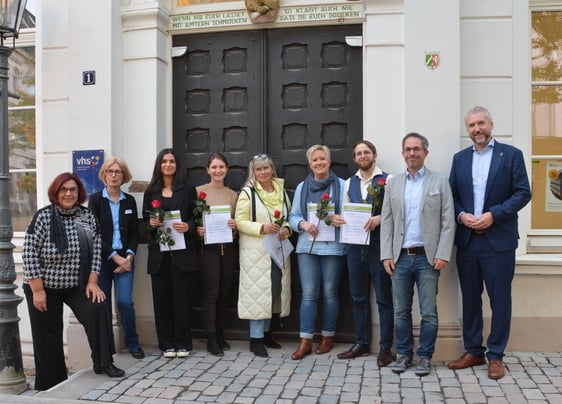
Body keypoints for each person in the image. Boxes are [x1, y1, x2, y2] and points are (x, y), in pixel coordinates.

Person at [447, 106, 531, 380]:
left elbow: (523, 193)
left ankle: (496, 355)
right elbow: (453, 196)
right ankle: (473, 350)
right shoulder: (459, 159)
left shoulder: (511, 155)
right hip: (469, 241)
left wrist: (494, 215)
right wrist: (461, 215)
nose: (476, 129)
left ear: (491, 125)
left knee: (500, 301)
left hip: (499, 242)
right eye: (471, 125)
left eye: (481, 123)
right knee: (470, 300)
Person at [22, 172, 124, 391]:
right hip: (43, 285)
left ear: (79, 192)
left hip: (77, 284)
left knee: (97, 308)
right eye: (63, 189)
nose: (68, 193)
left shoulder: (87, 217)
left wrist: (93, 282)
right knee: (48, 335)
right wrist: (37, 289)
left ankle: (103, 361)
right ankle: (51, 382)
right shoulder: (43, 217)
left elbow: (96, 251)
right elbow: (29, 252)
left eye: (73, 189)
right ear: (55, 192)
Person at [380, 133, 455, 377]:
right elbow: (388, 221)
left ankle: (425, 357)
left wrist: (443, 253)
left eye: (416, 149)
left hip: (428, 258)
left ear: (425, 152)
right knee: (401, 310)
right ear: (402, 153)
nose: (412, 153)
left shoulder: (440, 182)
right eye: (407, 149)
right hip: (400, 257)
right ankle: (403, 355)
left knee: (428, 311)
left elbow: (448, 222)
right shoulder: (394, 183)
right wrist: (386, 255)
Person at [337, 140, 394, 366]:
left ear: (374, 155)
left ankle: (385, 347)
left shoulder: (388, 180)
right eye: (359, 153)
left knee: (383, 299)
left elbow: (395, 211)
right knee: (358, 298)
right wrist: (339, 218)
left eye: (366, 152)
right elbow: (344, 210)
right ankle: (361, 343)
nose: (363, 156)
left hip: (379, 248)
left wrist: (380, 218)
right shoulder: (348, 183)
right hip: (354, 247)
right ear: (354, 158)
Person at [289, 145, 348, 360]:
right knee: (309, 294)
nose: (319, 163)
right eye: (315, 160)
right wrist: (303, 224)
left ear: (329, 161)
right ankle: (305, 340)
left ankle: (327, 337)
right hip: (307, 247)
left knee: (330, 292)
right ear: (310, 163)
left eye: (323, 159)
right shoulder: (302, 187)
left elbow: (350, 215)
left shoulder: (342, 186)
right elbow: (293, 216)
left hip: (333, 246)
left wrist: (340, 218)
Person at [142, 148, 200, 358]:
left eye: (172, 161)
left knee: (182, 300)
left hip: (183, 254)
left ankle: (183, 343)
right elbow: (146, 226)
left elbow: (197, 218)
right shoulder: (150, 192)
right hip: (159, 255)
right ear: (159, 165)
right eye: (164, 161)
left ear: (177, 165)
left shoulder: (187, 189)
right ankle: (166, 344)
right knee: (162, 300)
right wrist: (151, 223)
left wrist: (189, 227)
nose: (168, 164)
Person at [235, 153, 292, 358]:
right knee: (258, 293)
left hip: (277, 248)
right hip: (256, 252)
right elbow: (240, 221)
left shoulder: (280, 189)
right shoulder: (247, 193)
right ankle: (255, 339)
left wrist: (286, 229)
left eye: (266, 168)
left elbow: (288, 216)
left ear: (271, 169)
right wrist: (261, 227)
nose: (263, 172)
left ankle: (268, 334)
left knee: (274, 291)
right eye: (258, 169)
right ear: (254, 171)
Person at [88, 157, 144, 360]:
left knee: (125, 302)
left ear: (124, 176)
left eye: (118, 172)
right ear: (104, 175)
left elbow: (134, 234)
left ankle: (133, 343)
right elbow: (93, 234)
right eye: (110, 171)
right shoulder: (95, 200)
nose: (113, 175)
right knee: (102, 306)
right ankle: (107, 348)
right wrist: (114, 257)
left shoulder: (129, 201)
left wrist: (128, 256)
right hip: (102, 261)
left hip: (126, 259)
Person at [195, 153, 238, 356]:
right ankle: (211, 337)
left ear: (226, 169)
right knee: (211, 293)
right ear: (208, 169)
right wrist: (198, 229)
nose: (218, 170)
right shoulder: (198, 192)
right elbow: (193, 218)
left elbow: (238, 222)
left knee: (224, 292)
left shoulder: (232, 195)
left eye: (221, 167)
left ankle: (220, 333)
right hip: (208, 248)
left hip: (227, 247)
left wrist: (234, 226)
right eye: (214, 167)